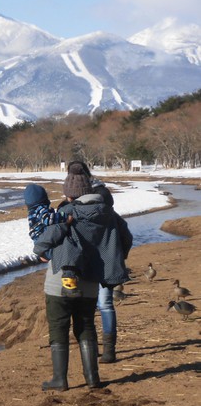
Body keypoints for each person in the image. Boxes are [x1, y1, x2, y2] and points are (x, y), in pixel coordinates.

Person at [33, 162, 132, 391]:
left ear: (70, 193)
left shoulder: (66, 212)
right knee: (86, 326)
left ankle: (60, 379)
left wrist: (41, 253)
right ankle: (92, 378)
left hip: (61, 281)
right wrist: (109, 259)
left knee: (59, 328)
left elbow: (45, 241)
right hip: (91, 281)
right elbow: (126, 238)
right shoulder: (108, 214)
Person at [61, 161, 133, 363]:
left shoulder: (72, 203)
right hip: (108, 261)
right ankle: (109, 351)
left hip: (84, 263)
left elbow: (64, 236)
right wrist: (119, 256)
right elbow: (126, 235)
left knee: (87, 307)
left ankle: (90, 350)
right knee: (106, 304)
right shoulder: (105, 200)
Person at [24, 183, 80, 297]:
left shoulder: (32, 210)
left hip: (40, 239)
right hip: (43, 238)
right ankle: (68, 281)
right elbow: (47, 219)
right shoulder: (40, 209)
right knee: (65, 248)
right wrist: (64, 217)